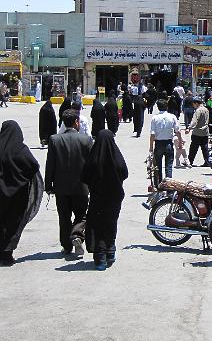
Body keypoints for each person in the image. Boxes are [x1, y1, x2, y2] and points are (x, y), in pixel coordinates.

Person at [45, 109, 93, 258]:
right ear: (76, 122)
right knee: (81, 216)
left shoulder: (54, 139)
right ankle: (77, 235)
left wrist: (48, 186)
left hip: (61, 187)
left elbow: (50, 164)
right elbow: (91, 165)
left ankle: (66, 246)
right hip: (81, 187)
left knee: (64, 217)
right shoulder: (86, 140)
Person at [82, 130, 128, 271]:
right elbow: (124, 173)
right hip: (115, 197)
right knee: (111, 223)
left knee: (98, 226)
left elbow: (84, 176)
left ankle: (100, 258)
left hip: (98, 198)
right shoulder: (117, 157)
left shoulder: (93, 158)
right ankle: (110, 252)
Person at [0, 121, 43, 266]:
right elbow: (33, 165)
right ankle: (7, 254)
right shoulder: (21, 150)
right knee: (13, 222)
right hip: (18, 195)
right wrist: (21, 178)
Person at [150, 99, 184, 184]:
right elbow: (177, 131)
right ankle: (169, 186)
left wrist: (151, 147)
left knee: (157, 166)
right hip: (169, 143)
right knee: (169, 166)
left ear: (158, 107)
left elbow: (152, 135)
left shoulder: (154, 118)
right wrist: (180, 142)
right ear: (167, 106)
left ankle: (158, 185)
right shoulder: (172, 117)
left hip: (158, 144)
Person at [186, 95, 211, 168]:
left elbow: (194, 121)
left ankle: (190, 161)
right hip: (205, 131)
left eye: (193, 104)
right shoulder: (206, 109)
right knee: (205, 148)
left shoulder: (198, 110)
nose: (193, 106)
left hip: (197, 132)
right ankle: (207, 162)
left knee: (193, 148)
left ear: (196, 103)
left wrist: (189, 128)